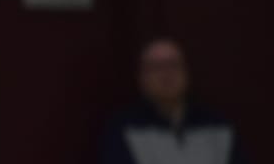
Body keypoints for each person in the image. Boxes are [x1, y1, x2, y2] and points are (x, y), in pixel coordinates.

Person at [100, 37, 248, 164]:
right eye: (156, 67)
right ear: (142, 77)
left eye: (173, 64)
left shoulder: (217, 126)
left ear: (186, 73)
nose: (166, 74)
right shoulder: (123, 128)